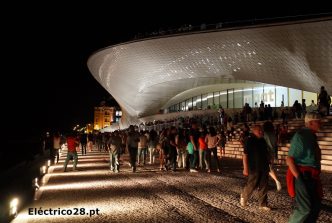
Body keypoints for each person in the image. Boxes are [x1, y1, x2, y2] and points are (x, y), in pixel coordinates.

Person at [286, 112, 323, 222]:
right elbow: (290, 159)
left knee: (315, 206)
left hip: (311, 176)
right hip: (302, 175)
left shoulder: (311, 136)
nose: (321, 123)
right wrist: (299, 178)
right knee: (304, 208)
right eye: (318, 121)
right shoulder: (300, 136)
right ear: (311, 123)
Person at [241, 125, 270, 211]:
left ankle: (263, 204)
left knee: (264, 186)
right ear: (254, 131)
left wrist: (269, 159)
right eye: (259, 131)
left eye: (262, 131)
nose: (261, 132)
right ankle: (244, 196)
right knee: (252, 184)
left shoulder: (263, 140)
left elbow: (266, 152)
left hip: (264, 166)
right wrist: (245, 168)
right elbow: (245, 155)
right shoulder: (249, 140)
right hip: (254, 167)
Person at [263, 121, 282, 191]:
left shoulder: (265, 134)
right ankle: (266, 184)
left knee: (269, 169)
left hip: (266, 153)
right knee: (268, 168)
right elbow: (276, 143)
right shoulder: (273, 134)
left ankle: (277, 181)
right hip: (272, 152)